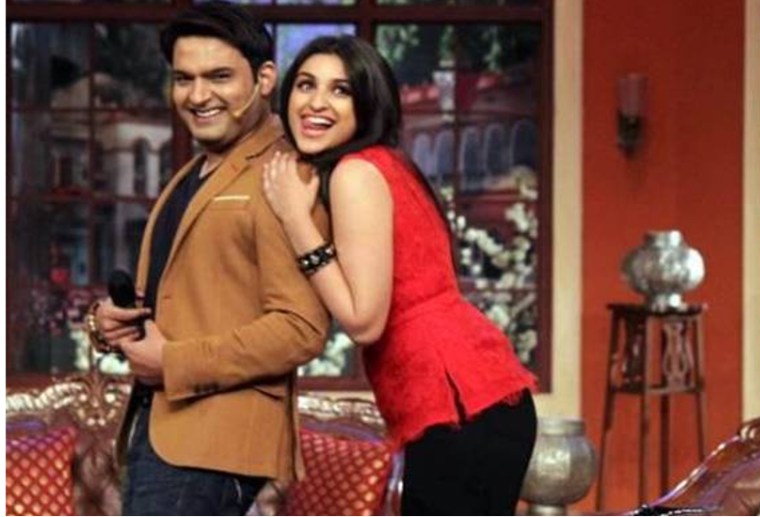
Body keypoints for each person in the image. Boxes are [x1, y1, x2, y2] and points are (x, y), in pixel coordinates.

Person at [261, 35, 538, 516]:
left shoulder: (354, 173)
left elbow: (364, 321)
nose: (316, 102)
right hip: (479, 398)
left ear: (368, 105)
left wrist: (295, 219)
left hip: (459, 404)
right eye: (306, 85)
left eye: (340, 90)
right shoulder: (386, 164)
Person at [84, 2, 330, 514]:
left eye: (219, 76)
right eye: (183, 79)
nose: (198, 96)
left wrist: (172, 362)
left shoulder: (284, 173)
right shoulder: (193, 172)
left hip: (215, 443)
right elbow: (188, 298)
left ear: (265, 79)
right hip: (163, 428)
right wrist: (111, 326)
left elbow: (301, 328)